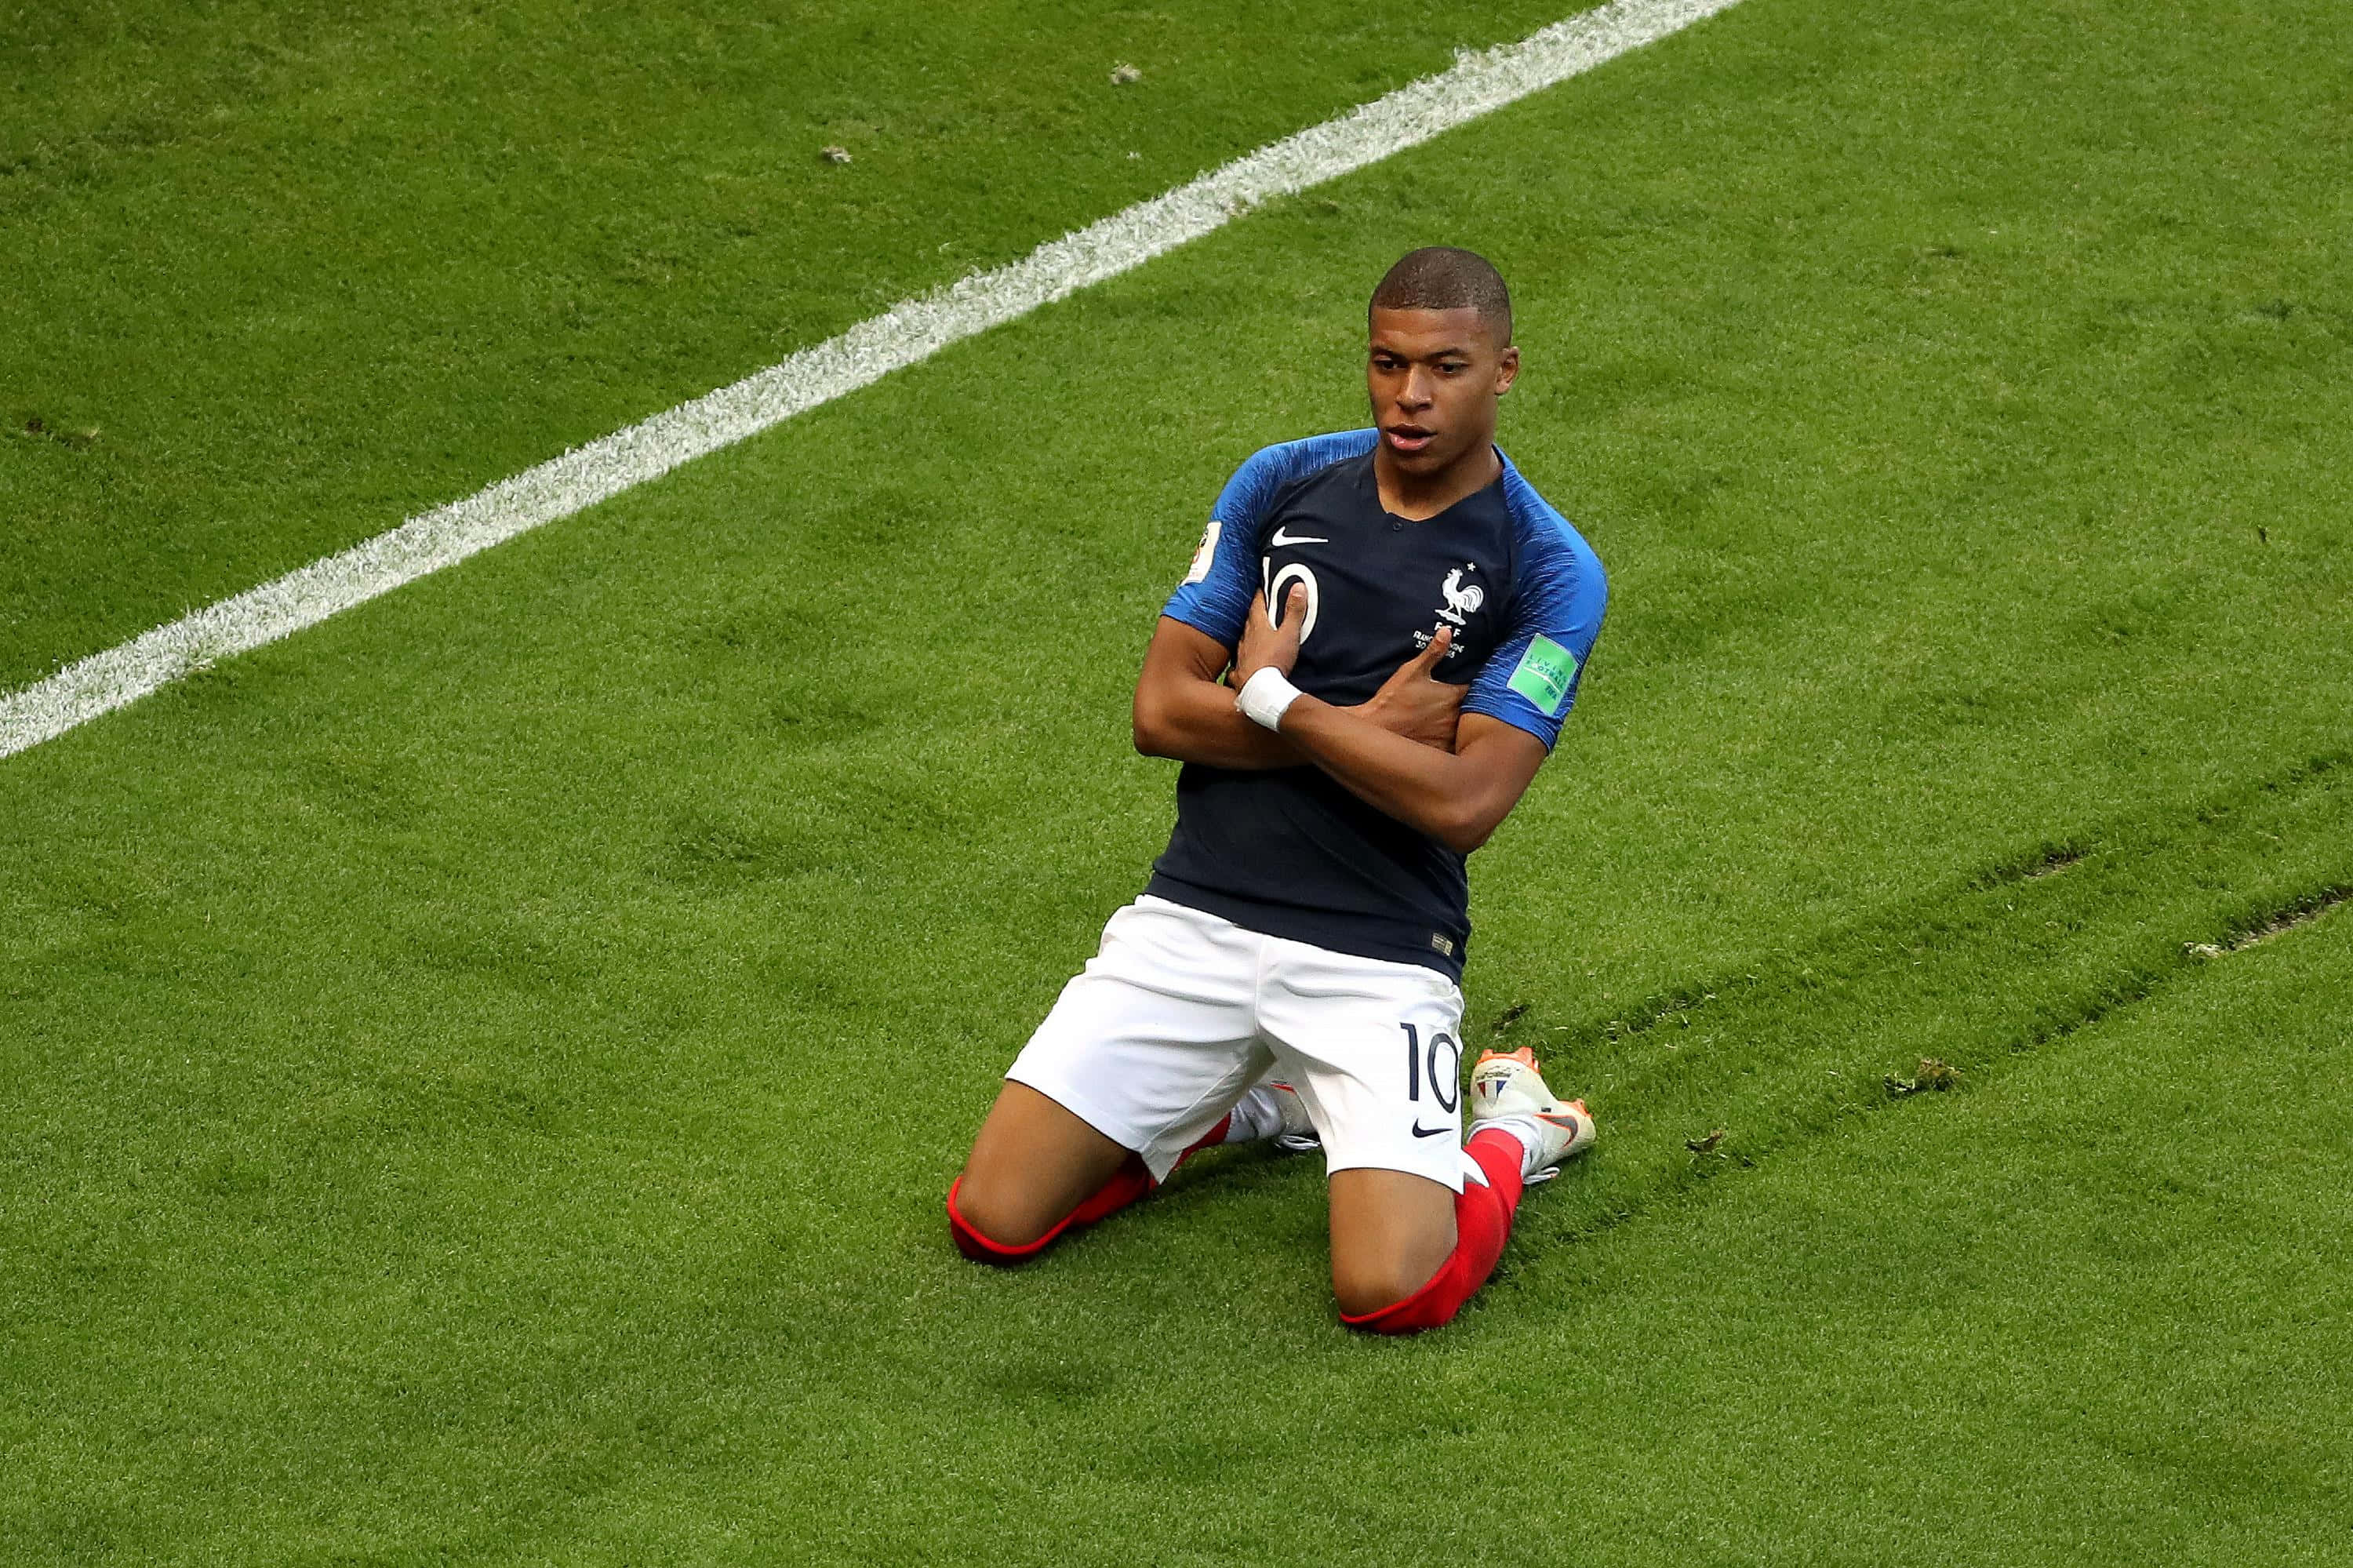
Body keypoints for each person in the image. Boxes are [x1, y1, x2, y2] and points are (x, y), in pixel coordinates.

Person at [947, 246, 1607, 1333]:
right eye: (1388, 363)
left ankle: (1510, 1131)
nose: (1411, 395)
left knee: (1392, 1292)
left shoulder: (1547, 567)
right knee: (994, 1220)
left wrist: (1267, 699)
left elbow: (1465, 804)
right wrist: (1361, 731)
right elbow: (1160, 713)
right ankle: (1264, 1103)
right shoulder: (1280, 482)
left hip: (1378, 952)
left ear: (1505, 371)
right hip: (1194, 918)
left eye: (1446, 366)